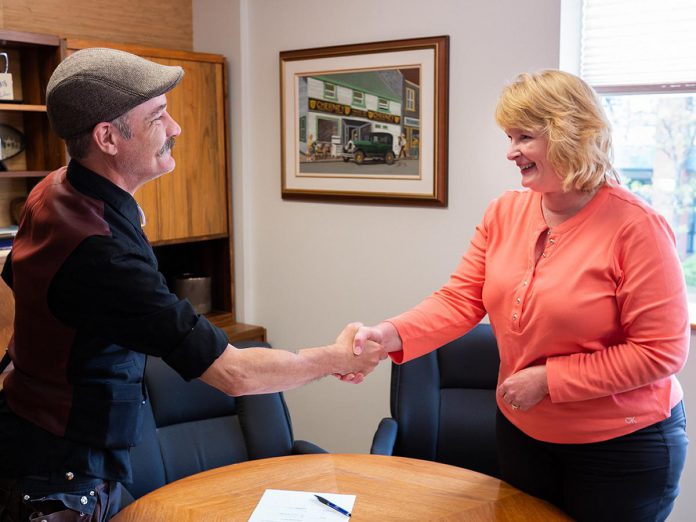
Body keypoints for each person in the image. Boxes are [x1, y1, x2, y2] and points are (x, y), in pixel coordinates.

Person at [0, 48, 385, 522]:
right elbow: (235, 374)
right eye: (158, 116)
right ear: (107, 138)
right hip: (58, 479)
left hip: (37, 438)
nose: (176, 128)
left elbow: (17, 283)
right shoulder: (101, 253)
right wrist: (336, 357)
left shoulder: (55, 189)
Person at [351, 70, 689, 522]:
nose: (510, 152)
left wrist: (550, 381)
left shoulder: (637, 228)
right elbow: (460, 299)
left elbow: (661, 351)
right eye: (509, 137)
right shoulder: (504, 211)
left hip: (622, 447)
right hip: (523, 432)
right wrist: (388, 334)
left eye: (524, 137)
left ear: (572, 134)